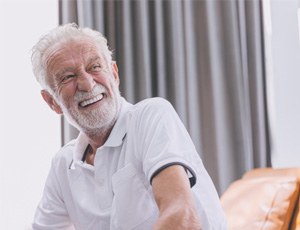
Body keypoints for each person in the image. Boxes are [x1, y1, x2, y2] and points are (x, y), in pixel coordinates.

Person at [31, 23, 227, 230]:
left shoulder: (150, 116)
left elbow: (182, 218)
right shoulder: (64, 164)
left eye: (94, 67)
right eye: (68, 77)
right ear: (52, 101)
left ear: (114, 74)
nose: (87, 84)